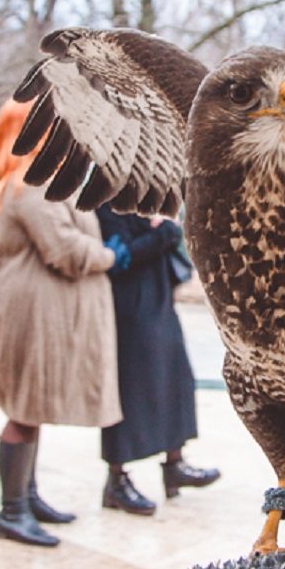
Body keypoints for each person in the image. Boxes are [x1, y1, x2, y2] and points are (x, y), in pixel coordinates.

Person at [0, 98, 123, 547]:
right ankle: (13, 511)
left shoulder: (30, 182)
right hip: (31, 317)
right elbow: (64, 250)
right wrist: (110, 256)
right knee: (23, 412)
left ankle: (28, 496)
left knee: (30, 407)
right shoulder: (30, 185)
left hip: (32, 313)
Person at [95, 208, 220, 515]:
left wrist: (166, 229)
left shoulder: (145, 197)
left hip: (158, 300)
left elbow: (172, 231)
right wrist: (163, 233)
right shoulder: (105, 201)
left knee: (176, 379)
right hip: (130, 308)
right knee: (130, 390)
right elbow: (119, 256)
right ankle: (116, 480)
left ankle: (174, 465)